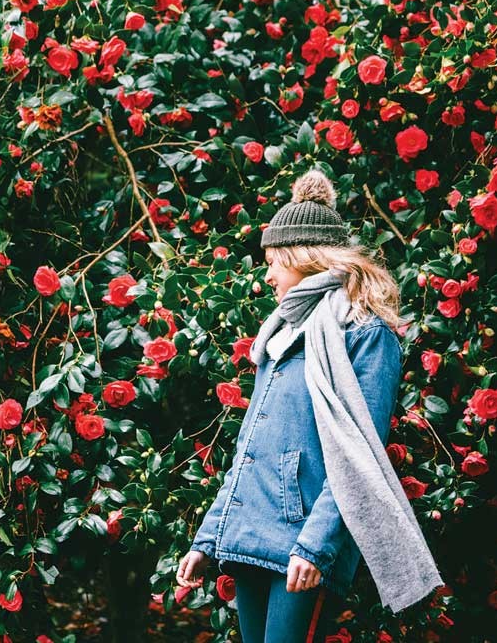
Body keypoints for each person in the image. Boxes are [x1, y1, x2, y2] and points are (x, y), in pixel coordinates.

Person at [175, 167, 445, 642]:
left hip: (301, 546)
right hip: (249, 536)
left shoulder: (364, 334)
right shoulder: (278, 337)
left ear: (300, 256)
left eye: (273, 261)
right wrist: (207, 538)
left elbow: (358, 456)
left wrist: (316, 547)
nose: (268, 275)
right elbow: (249, 453)